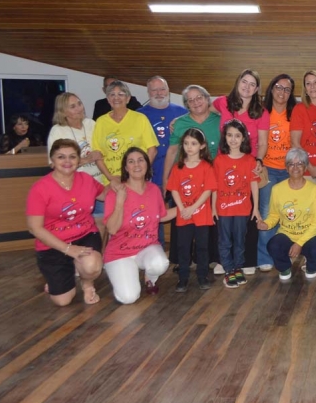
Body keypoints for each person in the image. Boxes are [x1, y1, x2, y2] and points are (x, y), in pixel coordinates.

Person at [26, 139, 109, 306]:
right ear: (52, 161)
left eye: (72, 157)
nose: (67, 161)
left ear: (79, 160)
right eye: (61, 157)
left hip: (85, 234)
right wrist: (68, 249)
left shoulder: (86, 179)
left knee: (91, 265)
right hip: (53, 243)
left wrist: (122, 183)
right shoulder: (40, 188)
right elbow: (34, 228)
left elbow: (106, 195)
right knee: (62, 301)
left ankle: (87, 284)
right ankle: (58, 275)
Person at [162, 85, 223, 273]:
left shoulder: (219, 120)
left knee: (210, 218)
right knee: (182, 219)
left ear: (207, 99)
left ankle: (210, 258)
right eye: (190, 100)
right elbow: (172, 150)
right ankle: (182, 260)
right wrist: (166, 179)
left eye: (199, 98)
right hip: (185, 179)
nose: (196, 102)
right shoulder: (180, 123)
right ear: (186, 104)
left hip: (212, 178)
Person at [103, 147, 176, 303]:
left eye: (140, 160)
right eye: (131, 161)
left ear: (147, 164)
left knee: (160, 263)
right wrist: (120, 202)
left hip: (146, 248)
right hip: (120, 253)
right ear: (125, 167)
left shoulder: (154, 190)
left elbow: (162, 216)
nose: (136, 165)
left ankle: (150, 276)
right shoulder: (115, 192)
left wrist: (190, 208)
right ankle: (127, 273)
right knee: (128, 298)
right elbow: (112, 229)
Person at [257, 148, 316, 281]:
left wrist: (299, 243)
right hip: (287, 233)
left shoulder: (315, 190)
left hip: (308, 236)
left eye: (299, 163)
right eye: (291, 164)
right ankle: (284, 268)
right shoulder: (277, 189)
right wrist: (266, 224)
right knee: (273, 245)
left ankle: (312, 266)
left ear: (305, 167)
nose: (295, 167)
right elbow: (274, 215)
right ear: (286, 168)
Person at [290, 70, 316, 273]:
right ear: (304, 88)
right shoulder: (300, 109)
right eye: (308, 84)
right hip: (307, 172)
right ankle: (309, 258)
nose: (313, 87)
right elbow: (296, 143)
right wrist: (310, 167)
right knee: (307, 216)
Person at [137, 75, 187, 246]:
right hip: (152, 175)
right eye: (154, 89)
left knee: (181, 215)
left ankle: (178, 254)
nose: (159, 93)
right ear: (148, 92)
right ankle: (156, 251)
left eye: (162, 89)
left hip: (179, 175)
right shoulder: (139, 116)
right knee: (153, 216)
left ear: (168, 91)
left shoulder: (182, 113)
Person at [48, 93, 107, 233]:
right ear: (63, 111)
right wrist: (86, 159)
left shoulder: (91, 123)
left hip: (100, 183)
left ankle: (100, 254)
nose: (79, 108)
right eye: (73, 106)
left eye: (79, 104)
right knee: (80, 225)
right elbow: (54, 164)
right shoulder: (58, 131)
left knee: (102, 223)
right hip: (76, 186)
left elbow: (103, 148)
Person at [168, 128, 217, 292]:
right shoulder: (178, 167)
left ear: (202, 146)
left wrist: (193, 208)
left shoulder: (207, 167)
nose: (189, 147)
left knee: (202, 247)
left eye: (194, 143)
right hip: (184, 215)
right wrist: (182, 209)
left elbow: (208, 190)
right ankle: (183, 277)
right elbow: (174, 189)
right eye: (186, 143)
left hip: (201, 215)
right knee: (183, 247)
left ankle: (202, 276)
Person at [212, 120, 260, 288]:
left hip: (242, 209)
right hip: (224, 209)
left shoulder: (249, 160)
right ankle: (228, 269)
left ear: (243, 138)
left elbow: (254, 184)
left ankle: (238, 267)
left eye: (237, 136)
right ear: (225, 137)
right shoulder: (219, 161)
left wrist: (256, 209)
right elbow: (215, 187)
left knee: (240, 240)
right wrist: (213, 208)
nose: (233, 139)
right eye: (230, 135)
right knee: (225, 240)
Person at [257, 74, 296, 272]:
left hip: (290, 171)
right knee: (267, 213)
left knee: (288, 214)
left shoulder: (294, 113)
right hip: (268, 169)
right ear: (271, 89)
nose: (282, 92)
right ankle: (264, 257)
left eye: (287, 89)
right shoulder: (262, 112)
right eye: (279, 87)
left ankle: (282, 255)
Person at [92, 80, 158, 186]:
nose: (116, 98)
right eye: (112, 94)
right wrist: (111, 178)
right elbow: (97, 155)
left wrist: (140, 174)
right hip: (111, 183)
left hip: (137, 180)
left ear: (128, 98)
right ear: (108, 99)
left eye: (121, 94)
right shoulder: (100, 122)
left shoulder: (140, 119)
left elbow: (152, 150)